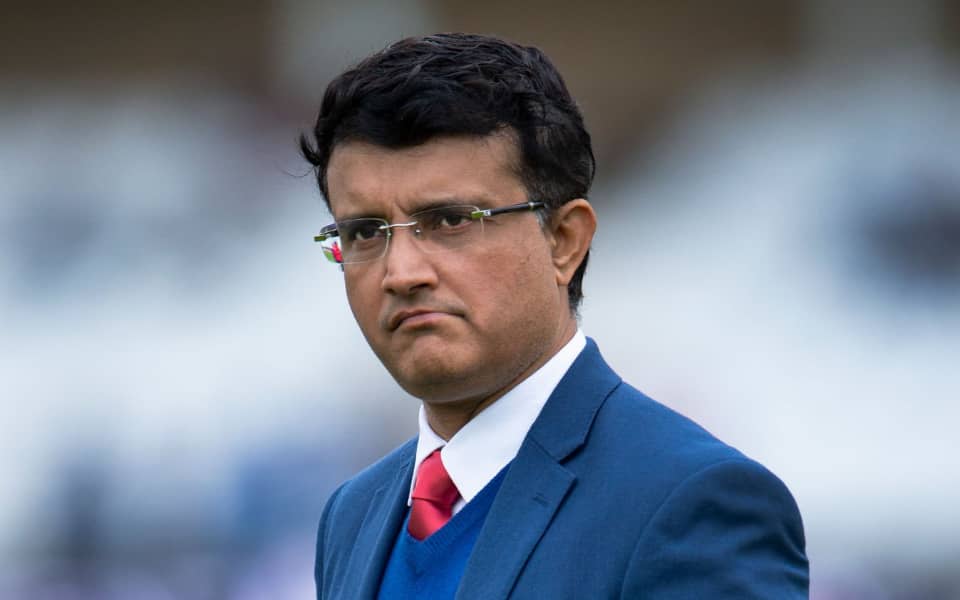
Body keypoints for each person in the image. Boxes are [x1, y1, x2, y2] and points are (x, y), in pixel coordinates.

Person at [300, 32, 808, 599]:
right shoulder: (352, 515)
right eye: (365, 232)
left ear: (564, 240)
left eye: (450, 221)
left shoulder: (689, 500)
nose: (401, 273)